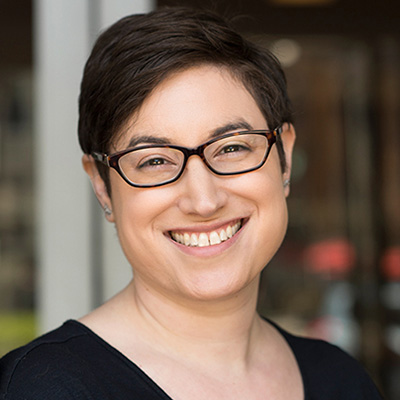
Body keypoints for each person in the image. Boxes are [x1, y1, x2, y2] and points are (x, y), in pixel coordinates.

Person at [0, 7, 382, 400]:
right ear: (102, 184)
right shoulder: (46, 387)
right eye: (154, 160)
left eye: (232, 147)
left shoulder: (340, 379)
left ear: (283, 156)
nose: (203, 200)